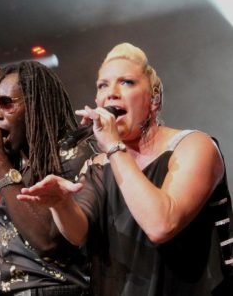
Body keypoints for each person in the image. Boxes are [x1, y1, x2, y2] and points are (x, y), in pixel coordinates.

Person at [17, 43, 233, 295]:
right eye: (103, 85)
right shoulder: (99, 164)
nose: (112, 93)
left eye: (127, 82)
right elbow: (78, 233)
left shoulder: (195, 146)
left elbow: (161, 224)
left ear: (154, 99)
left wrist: (112, 146)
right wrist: (60, 204)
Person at [0, 61, 94, 296]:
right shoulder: (1, 165)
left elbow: (48, 241)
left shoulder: (73, 154)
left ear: (37, 106)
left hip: (50, 290)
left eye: (6, 103)